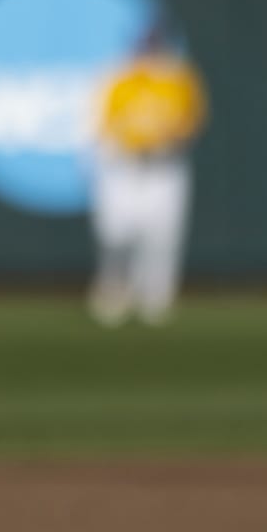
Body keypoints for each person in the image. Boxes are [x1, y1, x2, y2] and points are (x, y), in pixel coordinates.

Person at [88, 24, 207, 328]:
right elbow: (99, 126)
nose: (149, 52)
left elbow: (193, 120)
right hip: (125, 168)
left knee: (162, 238)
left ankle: (156, 300)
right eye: (145, 46)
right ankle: (113, 294)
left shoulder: (177, 77)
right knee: (117, 235)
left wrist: (171, 137)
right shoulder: (117, 77)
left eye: (154, 46)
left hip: (165, 166)